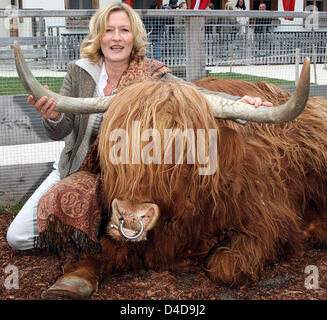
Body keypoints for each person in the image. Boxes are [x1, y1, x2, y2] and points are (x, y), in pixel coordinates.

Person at [7, 2, 272, 252]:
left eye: (124, 30)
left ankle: (99, 235)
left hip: (132, 175)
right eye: (109, 31)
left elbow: (194, 93)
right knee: (17, 237)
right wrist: (52, 116)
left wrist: (241, 103)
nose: (116, 38)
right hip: (79, 168)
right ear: (99, 36)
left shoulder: (153, 74)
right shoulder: (79, 71)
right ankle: (89, 232)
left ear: (134, 37)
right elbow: (60, 131)